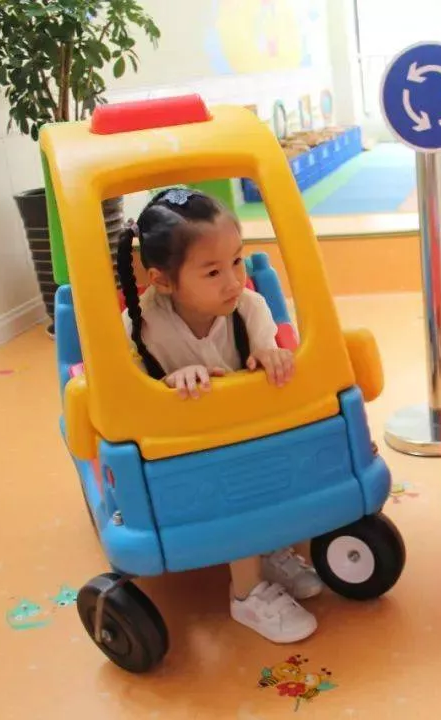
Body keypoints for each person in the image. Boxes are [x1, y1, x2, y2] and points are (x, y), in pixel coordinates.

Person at [116, 187, 323, 642]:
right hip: (181, 460)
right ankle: (247, 595)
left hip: (248, 439)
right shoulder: (140, 328)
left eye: (237, 261)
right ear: (163, 281)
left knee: (291, 462)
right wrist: (170, 384)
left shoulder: (249, 308)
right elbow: (129, 398)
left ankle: (268, 549)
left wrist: (271, 358)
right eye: (213, 271)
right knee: (237, 485)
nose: (233, 281)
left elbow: (271, 358)